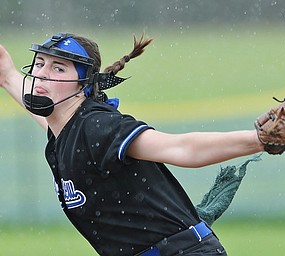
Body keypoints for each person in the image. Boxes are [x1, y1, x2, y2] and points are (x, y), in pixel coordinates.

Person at [0, 32, 264, 256]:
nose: (42, 74)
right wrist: (7, 75)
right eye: (39, 63)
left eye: (58, 68)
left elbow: (182, 148)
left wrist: (261, 139)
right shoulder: (65, 130)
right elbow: (25, 92)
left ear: (82, 86)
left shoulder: (97, 127)